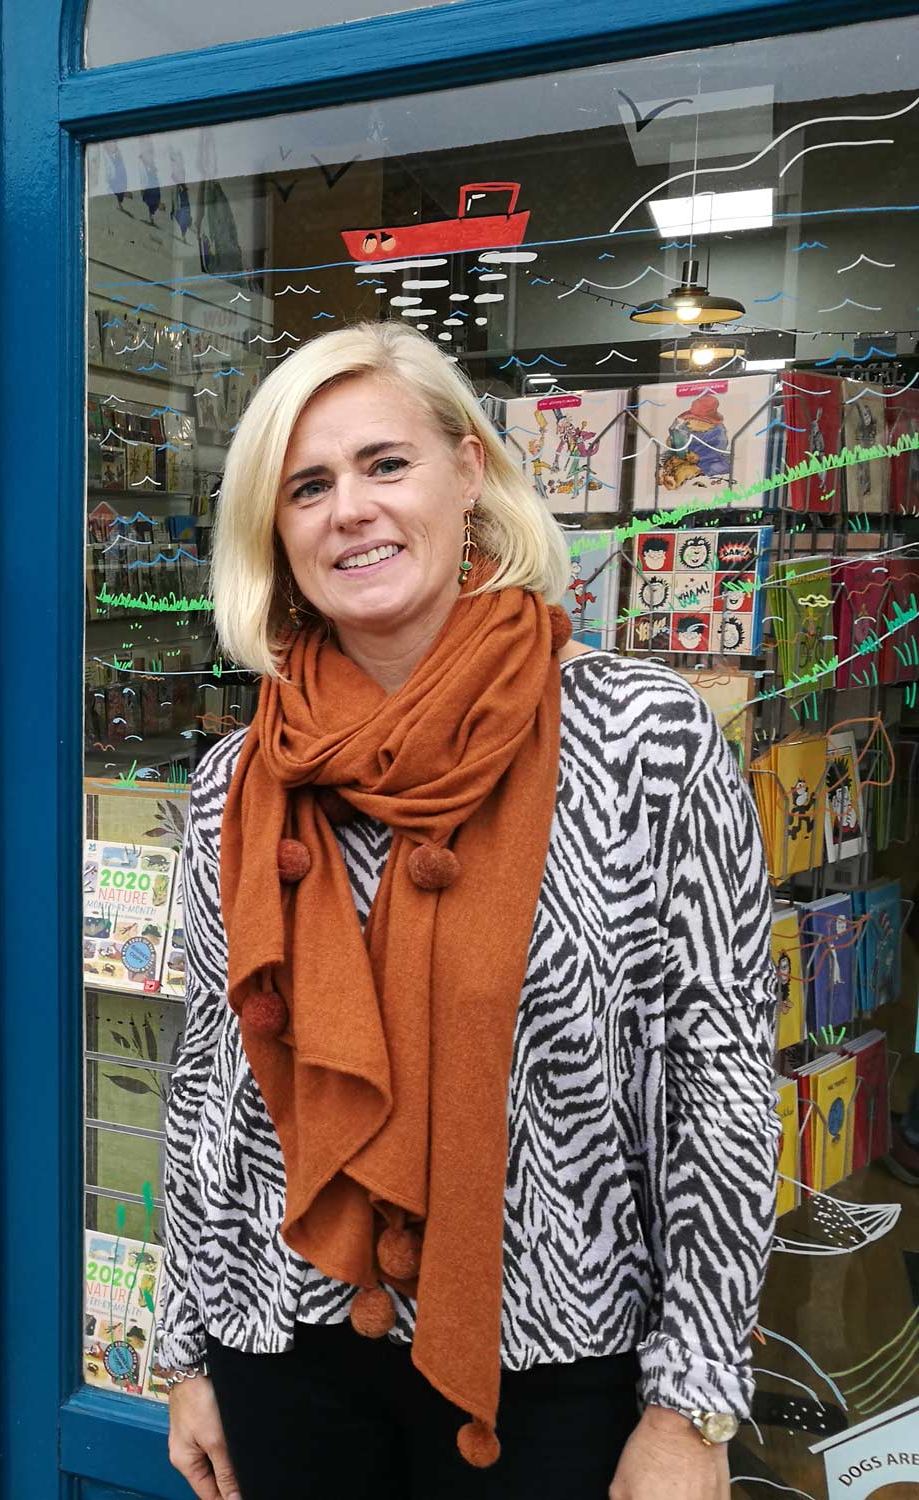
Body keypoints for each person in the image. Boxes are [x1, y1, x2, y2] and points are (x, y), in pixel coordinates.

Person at [154, 323, 775, 1500]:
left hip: (551, 1356)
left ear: (468, 474)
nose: (350, 509)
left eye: (384, 464)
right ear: (275, 537)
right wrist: (184, 1350)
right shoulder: (237, 778)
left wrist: (690, 1406)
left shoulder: (643, 738)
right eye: (307, 485)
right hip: (279, 1344)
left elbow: (723, 1078)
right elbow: (205, 1089)